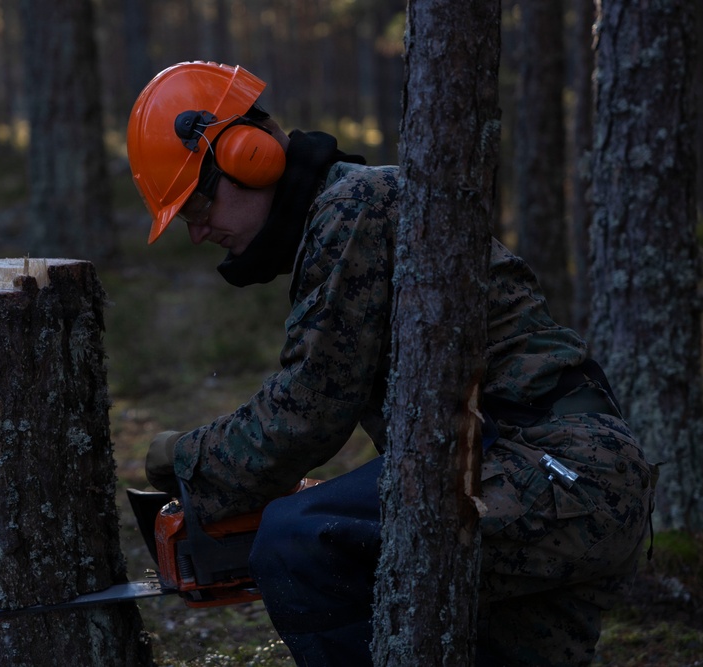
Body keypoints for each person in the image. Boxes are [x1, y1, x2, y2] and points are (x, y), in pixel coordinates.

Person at [126, 61, 654, 667]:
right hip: (551, 476)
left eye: (196, 207)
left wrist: (188, 458)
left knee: (298, 538)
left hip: (549, 470)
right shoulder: (348, 211)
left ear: (248, 155)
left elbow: (306, 416)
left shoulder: (353, 208)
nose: (198, 233)